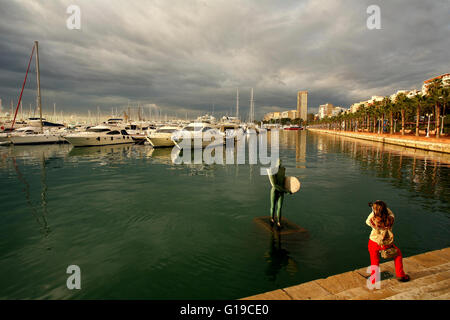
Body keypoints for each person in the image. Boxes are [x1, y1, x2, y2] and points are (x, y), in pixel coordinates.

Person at [366, 200, 410, 282]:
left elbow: (367, 221)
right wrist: (381, 208)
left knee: (374, 261)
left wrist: (374, 212)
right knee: (398, 255)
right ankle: (401, 275)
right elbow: (390, 213)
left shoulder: (372, 220)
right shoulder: (390, 219)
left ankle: (374, 279)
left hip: (373, 242)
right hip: (385, 243)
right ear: (385, 209)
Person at [268, 159, 291, 229]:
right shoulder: (272, 170)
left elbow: (284, 180)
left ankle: (279, 222)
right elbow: (274, 185)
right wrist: (285, 191)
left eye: (280, 161)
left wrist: (289, 189)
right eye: (278, 162)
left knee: (280, 207)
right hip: (275, 191)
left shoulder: (283, 169)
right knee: (273, 206)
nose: (279, 163)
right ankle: (272, 219)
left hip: (281, 190)